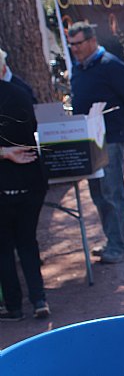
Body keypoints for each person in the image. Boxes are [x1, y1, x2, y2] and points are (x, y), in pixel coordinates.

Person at [68, 22, 124, 263]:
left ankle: (120, 246)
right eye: (71, 45)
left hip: (110, 139)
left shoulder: (111, 65)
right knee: (98, 194)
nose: (74, 49)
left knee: (112, 193)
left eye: (78, 44)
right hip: (87, 141)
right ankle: (114, 240)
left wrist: (123, 128)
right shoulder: (79, 68)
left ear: (92, 41)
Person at [0, 47, 50, 321]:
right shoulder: (21, 91)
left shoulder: (18, 91)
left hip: (7, 185)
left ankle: (14, 306)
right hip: (31, 182)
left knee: (5, 247)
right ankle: (39, 298)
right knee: (27, 242)